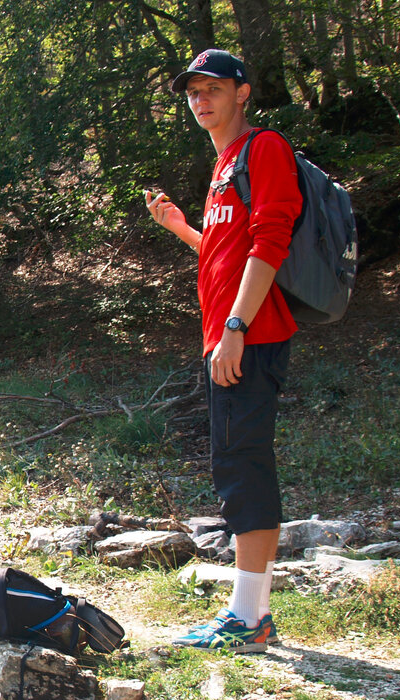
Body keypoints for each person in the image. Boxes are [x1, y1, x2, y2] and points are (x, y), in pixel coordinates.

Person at [146, 49, 302, 652]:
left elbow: (271, 240)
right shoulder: (223, 167)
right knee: (235, 464)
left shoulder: (263, 149)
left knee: (244, 465)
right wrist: (184, 229)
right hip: (231, 335)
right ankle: (251, 610)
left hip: (252, 335)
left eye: (214, 88)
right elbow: (224, 254)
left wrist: (235, 324)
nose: (201, 100)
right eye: (193, 92)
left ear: (243, 91)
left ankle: (248, 616)